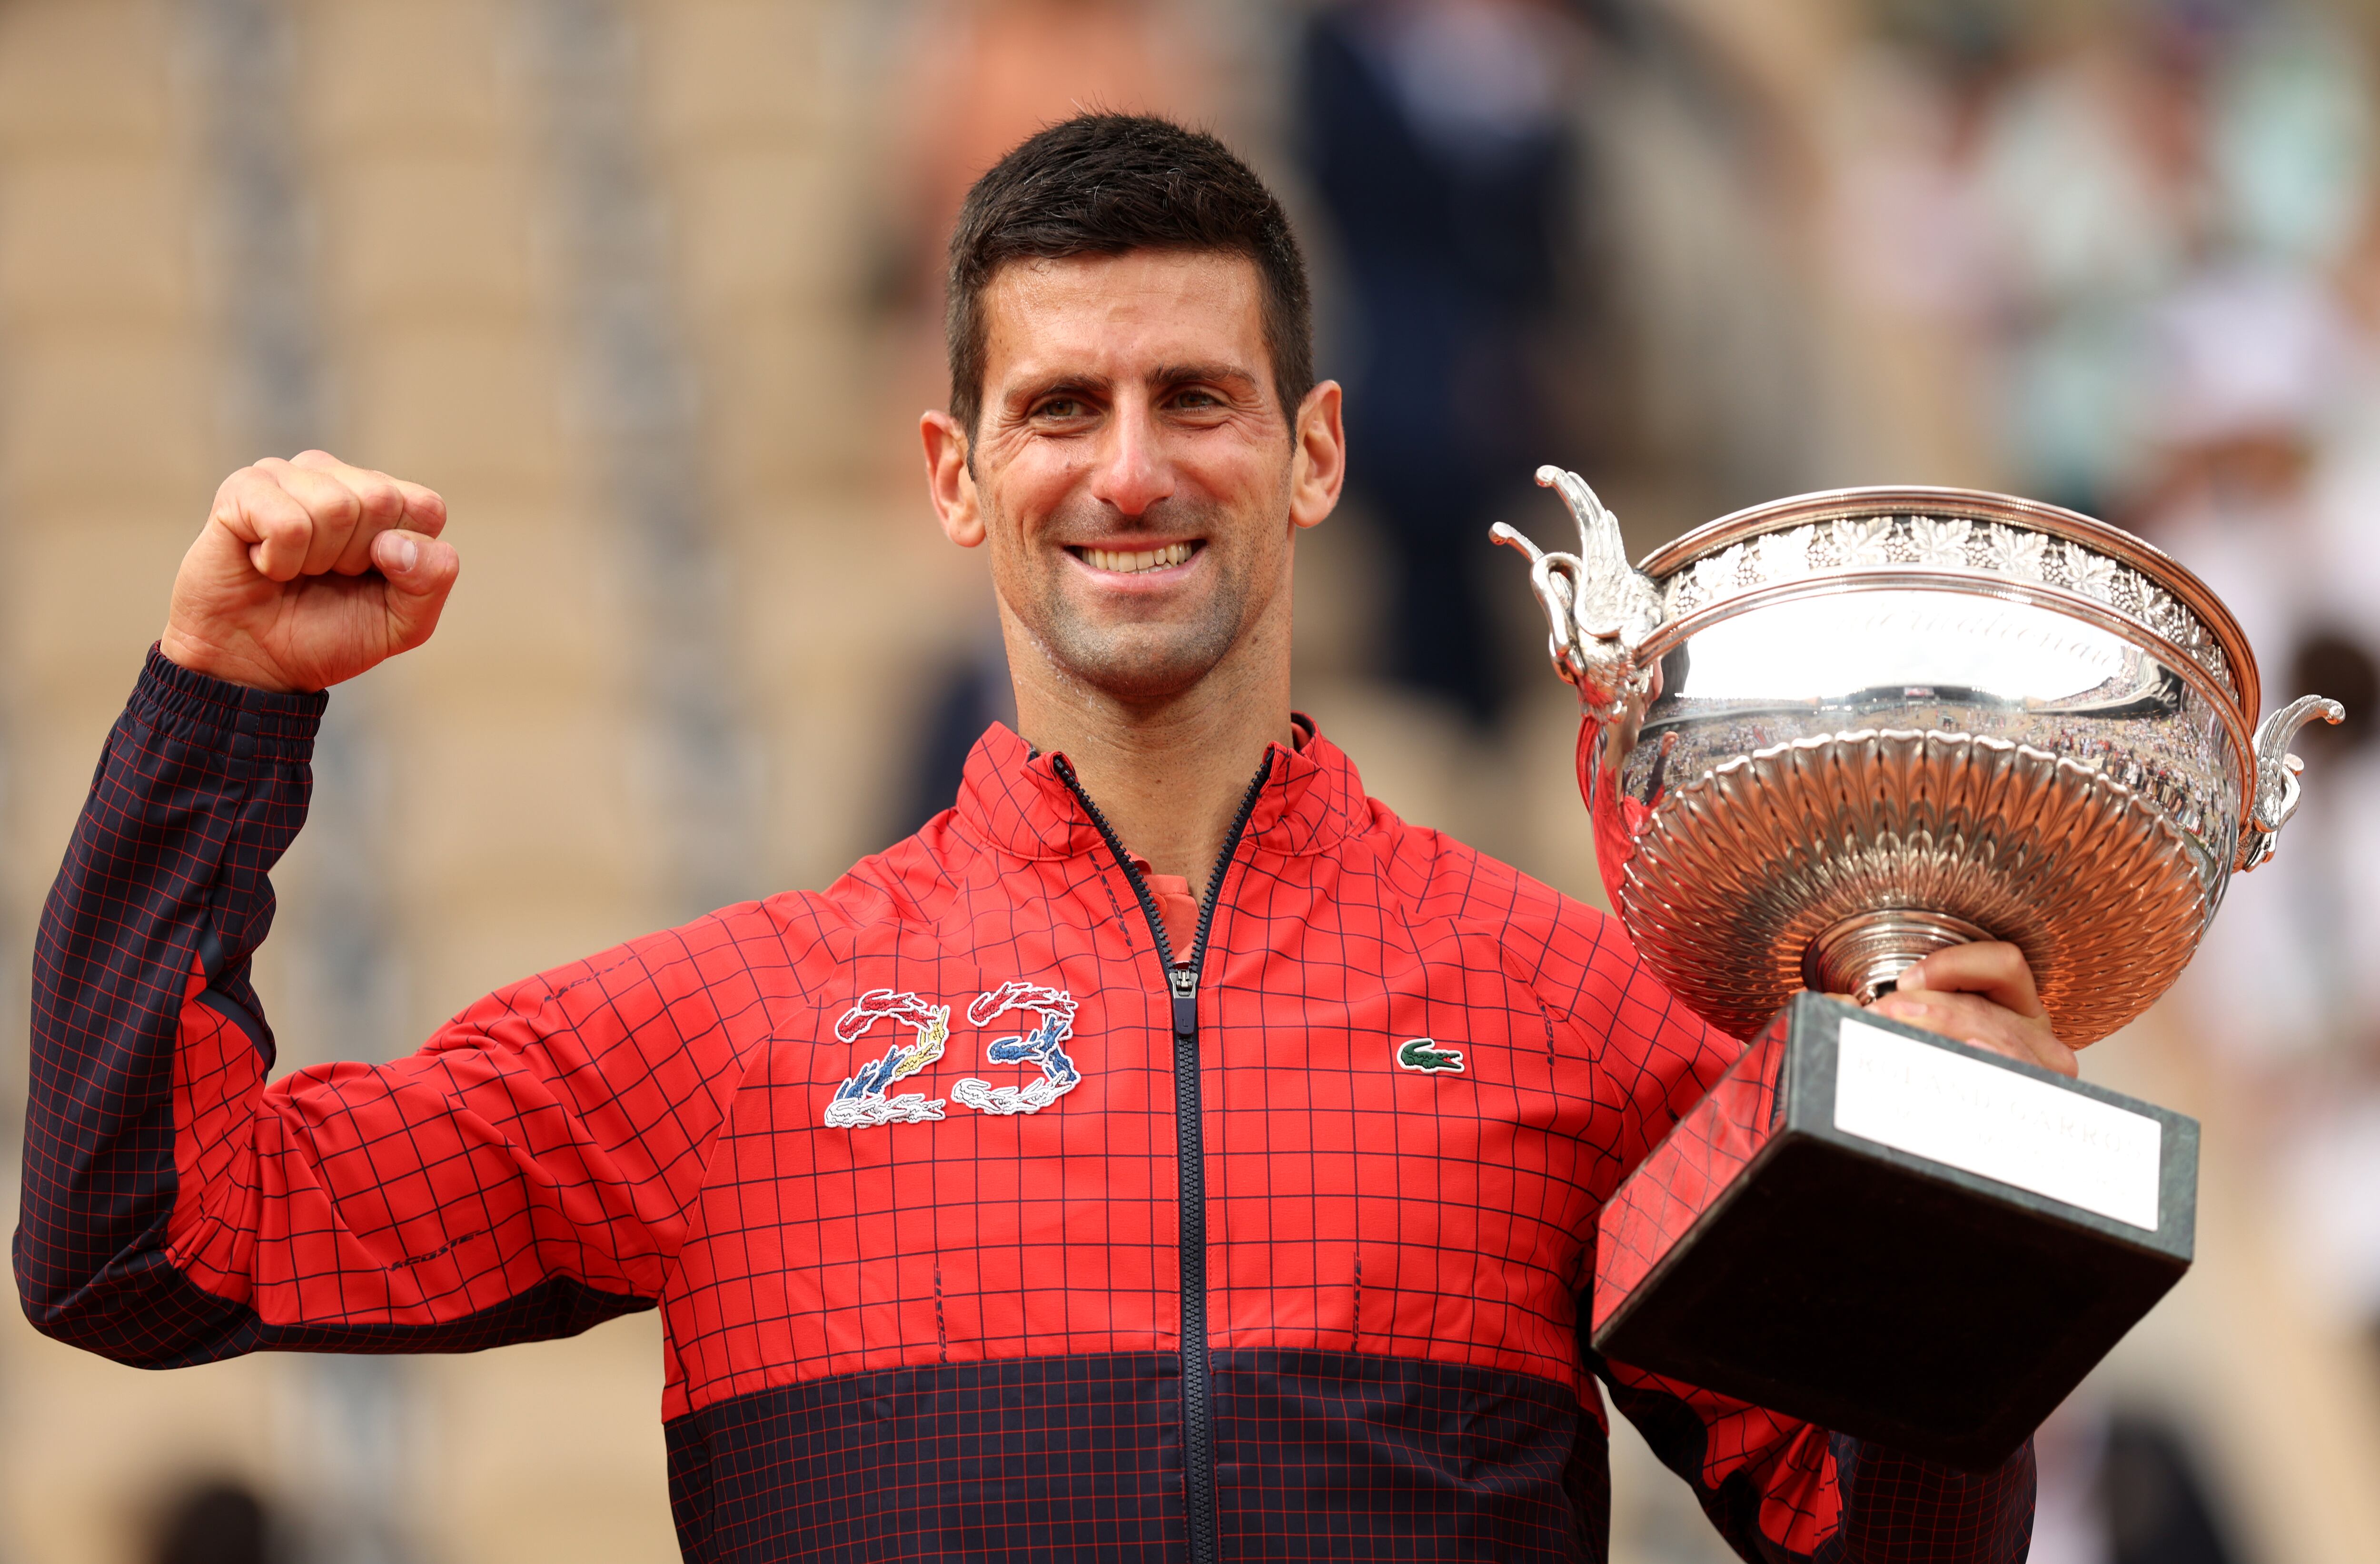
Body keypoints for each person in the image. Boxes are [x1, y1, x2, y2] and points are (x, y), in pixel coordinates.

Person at [20, 114, 2061, 1562]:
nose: (1131, 470)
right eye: (1062, 407)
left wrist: (1963, 1183)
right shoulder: (732, 1032)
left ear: (1313, 452)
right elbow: (144, 1241)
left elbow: (1882, 1538)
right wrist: (220, 703)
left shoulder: (1572, 1009)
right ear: (956, 473)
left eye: (1198, 398)